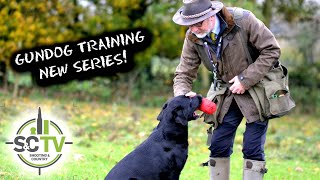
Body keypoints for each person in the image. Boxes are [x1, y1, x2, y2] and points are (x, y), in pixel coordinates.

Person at [172, 0, 281, 179]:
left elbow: (271, 50)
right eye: (189, 25)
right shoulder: (192, 35)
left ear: (211, 14)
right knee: (218, 145)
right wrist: (182, 95)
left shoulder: (244, 20)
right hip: (227, 93)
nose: (194, 30)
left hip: (258, 88)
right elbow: (184, 72)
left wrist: (245, 79)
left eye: (198, 23)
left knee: (252, 147)